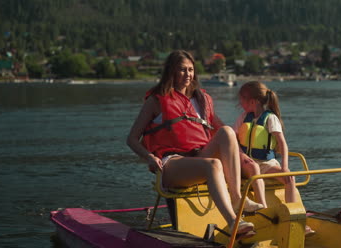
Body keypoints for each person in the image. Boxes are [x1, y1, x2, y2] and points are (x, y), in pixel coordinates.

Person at [126, 50, 262, 238]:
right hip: (172, 163)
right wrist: (149, 156)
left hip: (198, 157)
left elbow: (223, 132)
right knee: (213, 164)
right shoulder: (156, 100)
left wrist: (243, 157)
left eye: (190, 70)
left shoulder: (202, 100)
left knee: (227, 132)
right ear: (171, 72)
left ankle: (237, 199)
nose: (188, 74)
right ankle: (234, 223)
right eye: (182, 70)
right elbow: (132, 139)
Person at [233, 81, 315, 235]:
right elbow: (233, 138)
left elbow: (282, 144)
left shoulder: (270, 118)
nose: (240, 103)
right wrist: (241, 155)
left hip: (267, 163)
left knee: (289, 177)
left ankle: (295, 219)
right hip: (247, 164)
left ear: (253, 101)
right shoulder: (243, 118)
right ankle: (264, 210)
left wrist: (284, 167)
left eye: (242, 99)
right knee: (255, 169)